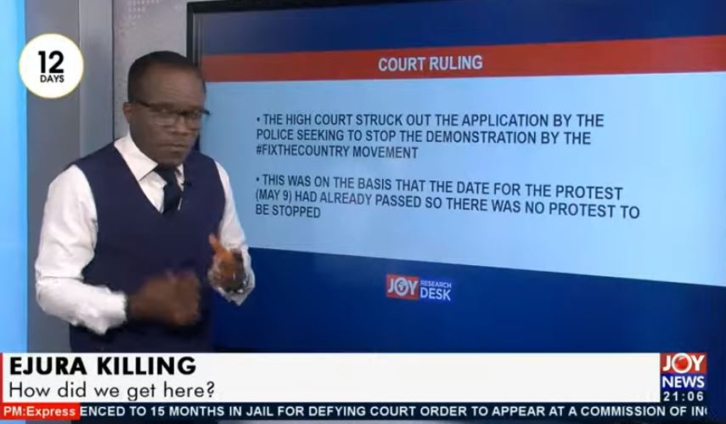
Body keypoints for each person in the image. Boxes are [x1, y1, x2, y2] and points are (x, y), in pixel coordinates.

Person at [34, 51, 255, 354]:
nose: (182, 129)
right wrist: (131, 305)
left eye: (193, 115)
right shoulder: (79, 183)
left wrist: (234, 278)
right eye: (165, 113)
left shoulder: (214, 175)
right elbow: (52, 287)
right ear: (130, 112)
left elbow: (235, 262)